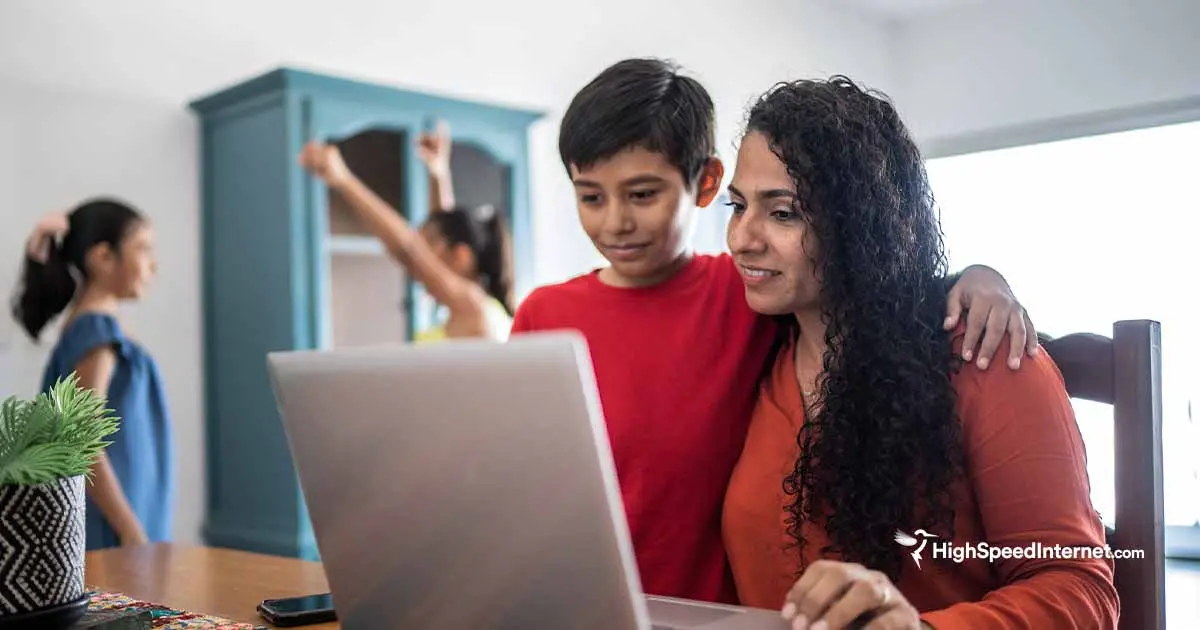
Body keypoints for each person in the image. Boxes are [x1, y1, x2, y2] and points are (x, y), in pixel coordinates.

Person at [509, 58, 1040, 605]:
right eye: (590, 196)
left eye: (642, 194)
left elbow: (873, 290)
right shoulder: (549, 314)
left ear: (705, 182)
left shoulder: (746, 298)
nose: (615, 222)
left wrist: (979, 278)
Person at [720, 77, 1118, 629]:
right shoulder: (751, 344)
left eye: (782, 212)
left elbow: (1080, 590)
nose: (741, 238)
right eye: (736, 205)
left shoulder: (984, 356)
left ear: (862, 224)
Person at [11, 199, 174, 550]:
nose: (153, 264)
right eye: (143, 249)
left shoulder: (93, 329)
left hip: (122, 525)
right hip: (114, 532)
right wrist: (131, 531)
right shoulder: (95, 331)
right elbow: (81, 441)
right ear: (102, 258)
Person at [298, 122, 514, 342]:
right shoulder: (473, 308)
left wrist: (344, 179)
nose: (424, 265)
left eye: (429, 248)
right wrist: (437, 174)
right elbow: (443, 226)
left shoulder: (472, 307)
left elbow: (409, 250)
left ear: (462, 256)